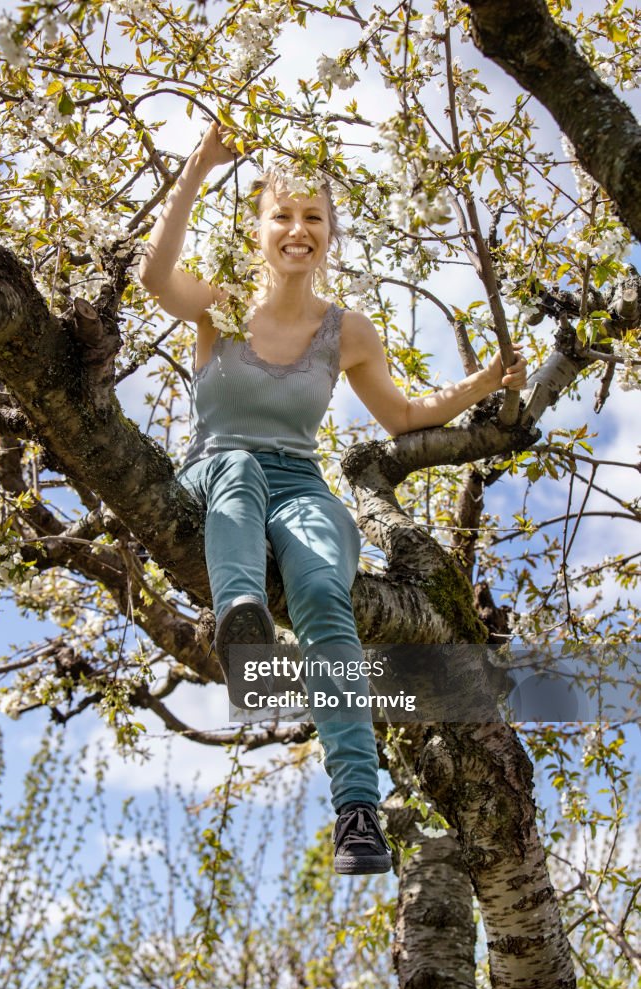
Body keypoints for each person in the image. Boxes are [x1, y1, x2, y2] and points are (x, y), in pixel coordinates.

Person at [138, 121, 528, 875]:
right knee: (239, 473)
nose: (297, 230)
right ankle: (240, 618)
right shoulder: (218, 301)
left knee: (324, 589)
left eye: (313, 218)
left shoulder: (347, 331)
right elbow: (157, 277)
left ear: (330, 236)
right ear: (258, 228)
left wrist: (482, 386)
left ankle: (356, 809)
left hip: (299, 487)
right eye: (282, 215)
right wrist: (198, 165)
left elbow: (405, 416)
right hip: (215, 474)